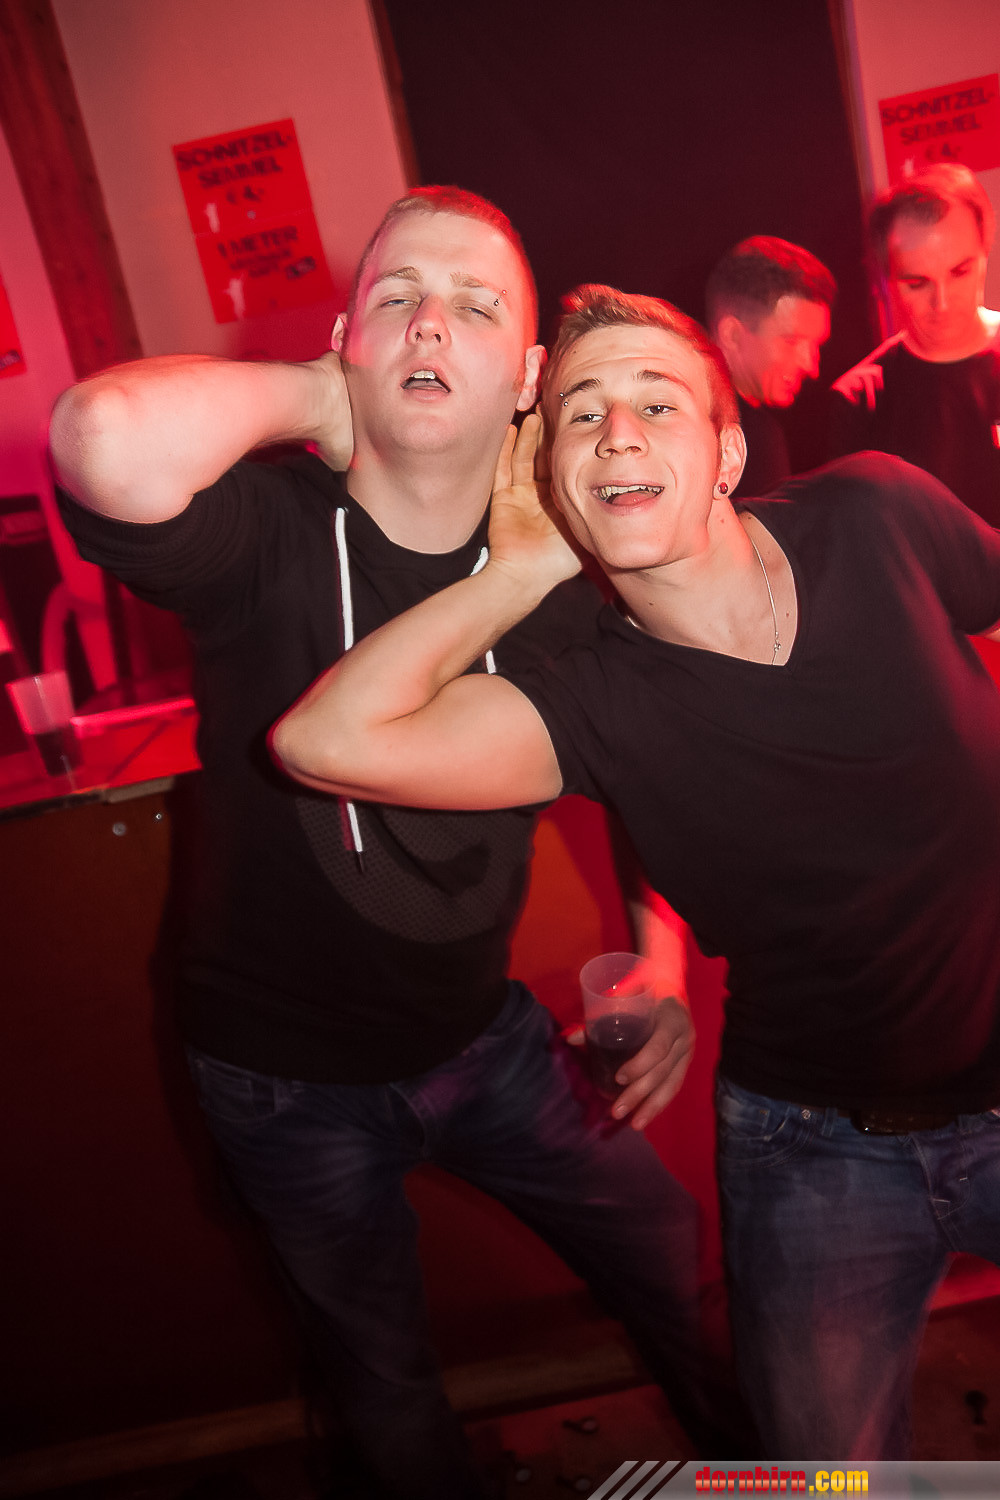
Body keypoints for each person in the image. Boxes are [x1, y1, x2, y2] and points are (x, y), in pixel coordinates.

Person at [49, 193, 732, 1500]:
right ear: (347, 333)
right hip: (280, 1078)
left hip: (483, 1042)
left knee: (669, 1251)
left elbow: (647, 777)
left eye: (476, 307)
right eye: (399, 298)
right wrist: (328, 396)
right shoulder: (268, 533)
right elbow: (100, 433)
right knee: (384, 1385)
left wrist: (658, 956)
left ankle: (778, 1475)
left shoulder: (558, 584)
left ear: (526, 379)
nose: (430, 323)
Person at [273, 282, 1000, 1462]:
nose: (616, 432)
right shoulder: (589, 700)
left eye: (657, 403)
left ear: (726, 454)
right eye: (580, 414)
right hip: (815, 1152)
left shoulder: (875, 514)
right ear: (553, 481)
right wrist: (515, 574)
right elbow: (323, 742)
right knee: (827, 1486)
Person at [830, 162, 1000, 524]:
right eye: (917, 283)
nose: (943, 302)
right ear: (885, 281)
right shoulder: (860, 400)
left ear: (986, 252)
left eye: (960, 272)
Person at [705, 235, 835, 495]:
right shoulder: (753, 437)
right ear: (732, 334)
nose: (811, 367)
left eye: (815, 346)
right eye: (791, 341)